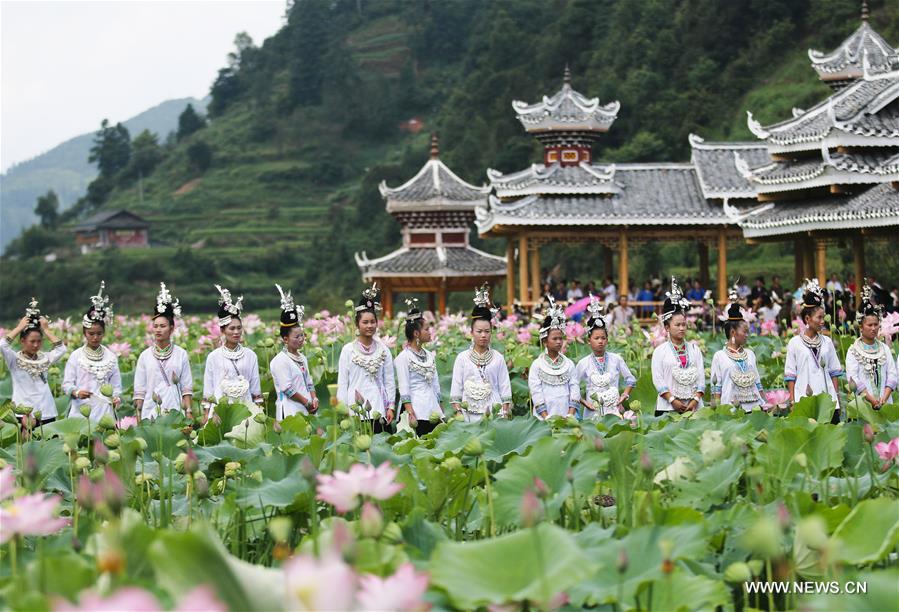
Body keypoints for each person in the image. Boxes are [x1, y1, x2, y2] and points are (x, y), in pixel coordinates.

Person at [337, 283, 396, 431]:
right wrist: (343, 409)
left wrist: (391, 407)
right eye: (365, 322)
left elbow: (389, 381)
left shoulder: (384, 350)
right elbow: (343, 383)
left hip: (379, 409)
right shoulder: (348, 350)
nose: (369, 326)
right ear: (357, 324)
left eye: (372, 322)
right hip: (355, 410)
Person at [450, 284, 512, 421]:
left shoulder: (498, 358)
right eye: (479, 331)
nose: (483, 335)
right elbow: (456, 389)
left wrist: (505, 411)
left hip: (494, 411)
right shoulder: (462, 358)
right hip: (468, 413)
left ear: (492, 332)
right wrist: (458, 412)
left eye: (487, 331)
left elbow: (505, 387)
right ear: (471, 332)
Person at [0, 299, 66, 426]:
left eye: (39, 341)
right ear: (22, 341)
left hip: (46, 410)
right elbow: (2, 345)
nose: (36, 345)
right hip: (23, 411)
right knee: (26, 445)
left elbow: (61, 349)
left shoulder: (45, 358)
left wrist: (46, 330)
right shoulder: (14, 360)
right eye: (32, 341)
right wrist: (19, 328)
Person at [784, 279, 843, 421]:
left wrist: (836, 396)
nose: (823, 321)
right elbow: (790, 375)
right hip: (803, 399)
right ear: (807, 318)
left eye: (823, 317)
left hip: (828, 400)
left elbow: (834, 372)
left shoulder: (827, 342)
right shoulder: (794, 343)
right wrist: (792, 400)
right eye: (819, 318)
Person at [64, 281, 123, 422]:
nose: (95, 337)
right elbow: (67, 384)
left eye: (99, 333)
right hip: (81, 410)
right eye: (91, 333)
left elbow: (116, 386)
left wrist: (116, 398)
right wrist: (77, 392)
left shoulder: (111, 356)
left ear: (104, 332)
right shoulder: (76, 356)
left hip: (105, 411)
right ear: (84, 333)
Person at [133, 283, 194, 420]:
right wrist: (138, 415)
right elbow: (139, 389)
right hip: (150, 408)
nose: (158, 330)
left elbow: (186, 387)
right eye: (155, 326)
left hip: (175, 407)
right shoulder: (145, 356)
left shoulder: (181, 354)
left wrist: (188, 411)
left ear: (171, 329)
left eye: (162, 326)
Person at [203, 284, 263, 416]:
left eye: (239, 328)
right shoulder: (213, 356)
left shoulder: (250, 355)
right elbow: (208, 387)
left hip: (246, 407)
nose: (236, 332)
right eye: (232, 328)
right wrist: (206, 413)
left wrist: (259, 410)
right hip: (219, 409)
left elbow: (255, 386)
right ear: (222, 330)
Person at [651, 277, 705, 416]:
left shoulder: (695, 349)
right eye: (677, 325)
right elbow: (658, 379)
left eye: (684, 324)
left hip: (694, 407)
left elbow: (701, 377)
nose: (682, 328)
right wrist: (672, 400)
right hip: (667, 408)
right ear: (667, 327)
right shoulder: (659, 351)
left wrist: (695, 400)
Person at [576, 295, 635, 419]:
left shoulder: (616, 359)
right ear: (589, 340)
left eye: (603, 338)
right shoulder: (583, 363)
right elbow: (573, 385)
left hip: (614, 411)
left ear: (607, 340)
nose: (600, 341)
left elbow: (630, 379)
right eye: (596, 338)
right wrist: (584, 403)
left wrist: (624, 395)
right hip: (592, 412)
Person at [394, 298, 444, 435]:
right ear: (416, 334)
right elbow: (404, 388)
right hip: (416, 411)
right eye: (427, 329)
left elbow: (436, 383)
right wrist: (410, 413)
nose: (430, 332)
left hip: (433, 408)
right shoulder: (402, 358)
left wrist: (440, 406)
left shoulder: (430, 355)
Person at [269, 284, 318, 421]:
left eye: (302, 335)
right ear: (285, 339)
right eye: (297, 337)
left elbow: (309, 382)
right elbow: (288, 389)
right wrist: (306, 402)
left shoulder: (302, 357)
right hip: (290, 410)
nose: (301, 339)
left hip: (307, 407)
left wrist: (314, 398)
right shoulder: (280, 360)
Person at [711, 286, 764, 412]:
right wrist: (718, 412)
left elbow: (757, 383)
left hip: (754, 408)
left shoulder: (750, 354)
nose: (747, 335)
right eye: (745, 332)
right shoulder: (719, 356)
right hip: (730, 411)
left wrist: (765, 403)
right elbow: (716, 387)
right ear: (733, 332)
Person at [846, 282, 896, 408]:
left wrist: (884, 397)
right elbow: (853, 378)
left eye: (876, 324)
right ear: (861, 327)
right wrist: (872, 400)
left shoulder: (884, 348)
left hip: (885, 403)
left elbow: (892, 374)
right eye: (869, 325)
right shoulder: (853, 351)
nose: (874, 328)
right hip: (864, 406)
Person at [528, 296, 579, 420]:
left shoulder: (569, 364)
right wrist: (546, 417)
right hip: (543, 418)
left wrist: (570, 415)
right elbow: (536, 392)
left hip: (567, 417)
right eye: (554, 339)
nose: (558, 342)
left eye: (560, 338)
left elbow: (574, 388)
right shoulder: (537, 365)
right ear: (545, 341)